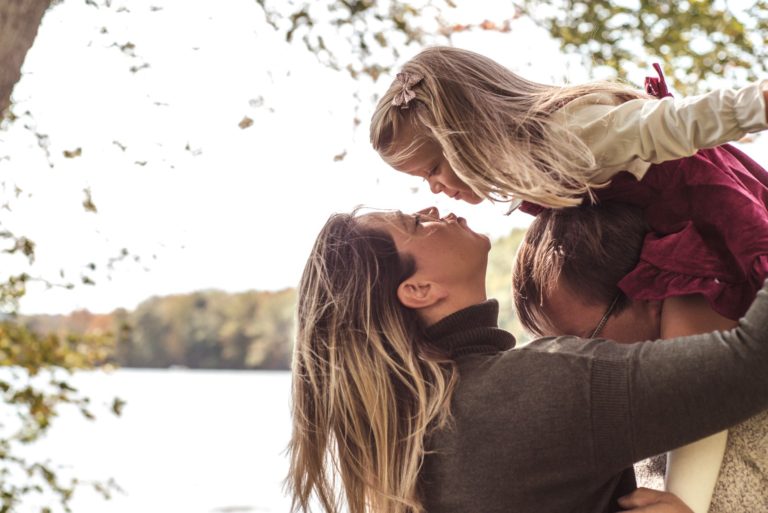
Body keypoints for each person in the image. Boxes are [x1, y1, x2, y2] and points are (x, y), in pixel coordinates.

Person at [286, 205, 768, 513]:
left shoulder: (418, 433)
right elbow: (753, 363)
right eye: (415, 223)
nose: (431, 206)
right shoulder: (534, 391)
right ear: (419, 290)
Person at [369, 46, 768, 320]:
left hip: (714, 220)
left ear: (470, 134)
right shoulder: (537, 168)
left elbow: (674, 123)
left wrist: (758, 103)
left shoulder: (571, 134)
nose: (435, 189)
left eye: (434, 168)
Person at [511, 202, 768, 513]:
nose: (571, 365)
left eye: (582, 340)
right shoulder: (628, 432)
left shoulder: (752, 392)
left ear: (649, 293)